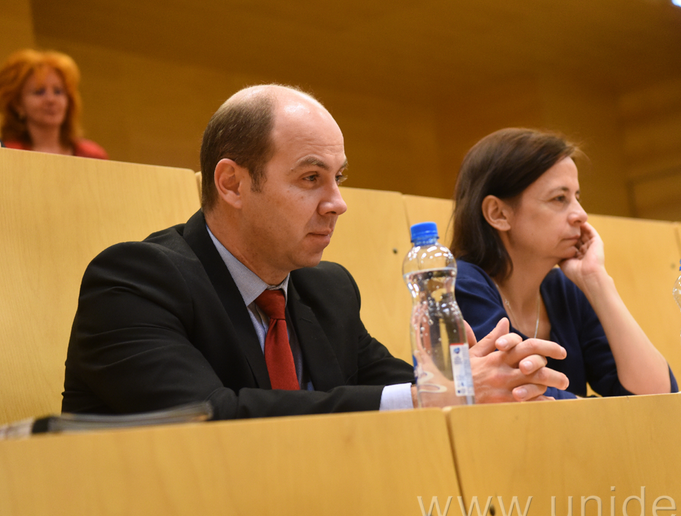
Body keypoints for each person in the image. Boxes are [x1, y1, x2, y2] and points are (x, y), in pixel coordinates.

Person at [62, 86, 569, 419]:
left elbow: (399, 387)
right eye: (310, 178)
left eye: (338, 177)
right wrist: (429, 396)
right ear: (232, 183)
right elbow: (209, 416)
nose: (337, 203)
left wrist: (486, 378)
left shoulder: (328, 290)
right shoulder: (134, 281)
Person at [451, 127, 678, 400]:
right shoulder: (460, 286)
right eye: (559, 198)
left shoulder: (564, 289)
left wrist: (596, 280)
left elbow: (658, 395)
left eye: (577, 198)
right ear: (498, 214)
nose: (581, 215)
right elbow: (519, 393)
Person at [0, 49, 107, 159]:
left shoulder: (92, 155)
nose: (51, 100)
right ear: (17, 104)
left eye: (58, 91)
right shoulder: (7, 154)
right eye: (39, 92)